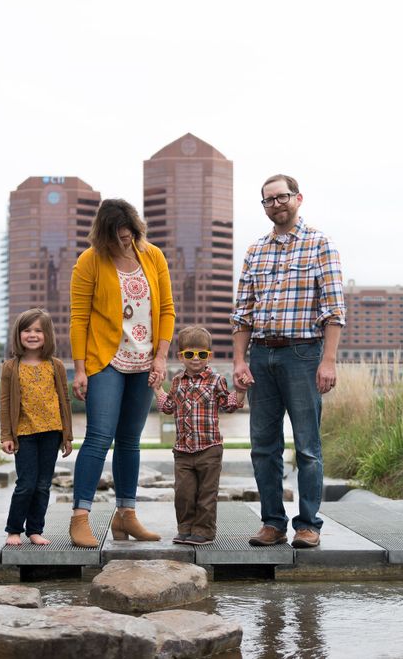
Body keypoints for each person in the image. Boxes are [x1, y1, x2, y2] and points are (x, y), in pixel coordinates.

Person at [231, 174, 346, 549]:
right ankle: (272, 523)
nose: (276, 204)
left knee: (308, 447)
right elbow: (243, 313)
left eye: (282, 197)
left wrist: (328, 361)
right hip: (261, 355)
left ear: (298, 198)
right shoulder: (255, 251)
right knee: (263, 447)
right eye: (268, 200)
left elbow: (333, 310)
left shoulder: (320, 245)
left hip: (303, 354)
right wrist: (239, 361)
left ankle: (308, 525)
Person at [68, 198, 175, 547]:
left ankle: (126, 515)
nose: (124, 242)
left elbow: (167, 310)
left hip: (145, 361)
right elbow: (79, 318)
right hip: (105, 360)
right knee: (99, 437)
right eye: (117, 238)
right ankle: (80, 517)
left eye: (128, 235)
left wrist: (161, 358)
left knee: (130, 440)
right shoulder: (89, 261)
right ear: (104, 236)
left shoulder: (153, 256)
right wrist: (80, 369)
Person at [154, 326, 245, 545]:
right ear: (181, 357)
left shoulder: (216, 380)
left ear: (209, 356)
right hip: (183, 451)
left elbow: (228, 405)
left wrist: (241, 391)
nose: (196, 358)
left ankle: (204, 531)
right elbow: (168, 407)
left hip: (209, 449)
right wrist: (157, 389)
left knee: (206, 494)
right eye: (190, 354)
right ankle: (185, 528)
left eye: (202, 354)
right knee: (183, 493)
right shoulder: (177, 381)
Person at [0, 308, 73, 547]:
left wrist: (67, 435)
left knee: (43, 485)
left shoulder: (56, 366)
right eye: (27, 330)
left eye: (38, 330)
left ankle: (35, 530)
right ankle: (14, 530)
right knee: (26, 484)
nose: (32, 335)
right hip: (24, 434)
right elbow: (5, 402)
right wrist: (6, 435)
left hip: (51, 433)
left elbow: (64, 400)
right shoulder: (11, 367)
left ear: (47, 335)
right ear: (18, 335)